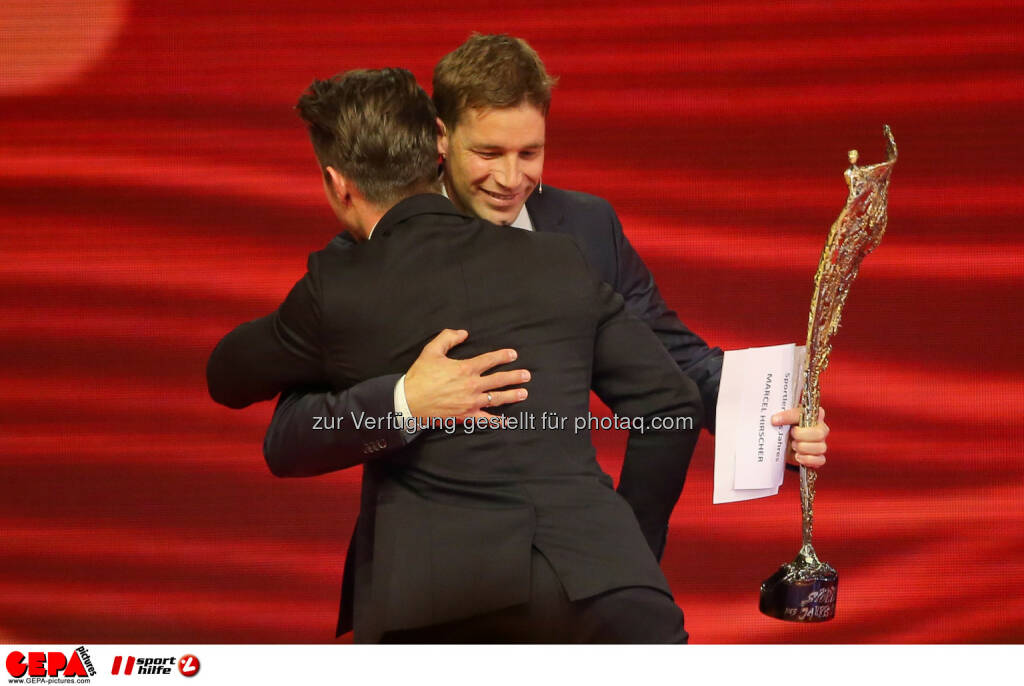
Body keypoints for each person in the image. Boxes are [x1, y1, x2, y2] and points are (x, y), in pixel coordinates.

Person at [258, 33, 829, 562]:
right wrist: (405, 400)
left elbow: (676, 361)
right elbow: (290, 435)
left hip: (571, 570)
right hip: (425, 575)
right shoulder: (375, 242)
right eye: (488, 153)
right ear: (440, 136)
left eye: (529, 154)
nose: (511, 178)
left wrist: (769, 422)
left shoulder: (584, 226)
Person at [207, 67, 702, 643]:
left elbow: (229, 377)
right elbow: (673, 403)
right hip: (614, 603)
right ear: (438, 149)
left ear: (339, 184)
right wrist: (625, 555)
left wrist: (398, 403)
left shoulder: (340, 289)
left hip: (442, 612)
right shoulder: (560, 260)